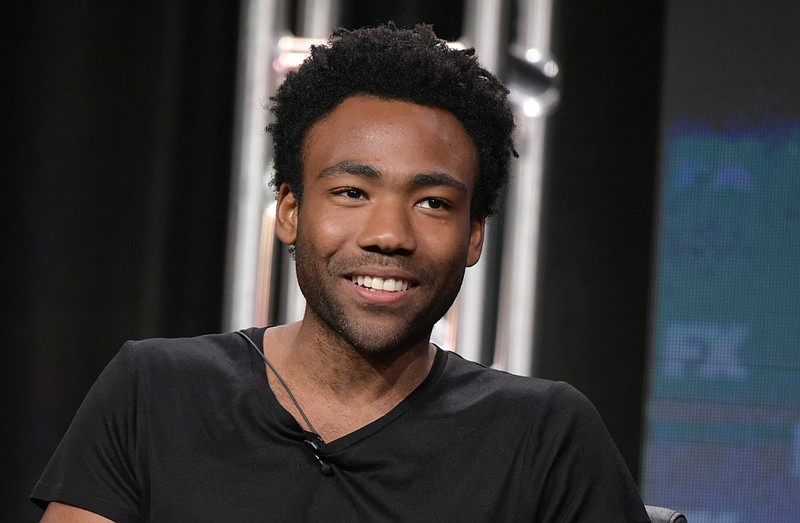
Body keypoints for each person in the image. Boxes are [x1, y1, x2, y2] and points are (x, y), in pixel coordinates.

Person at [32, 23, 650, 522]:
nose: (389, 235)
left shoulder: (544, 437)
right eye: (352, 192)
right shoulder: (155, 393)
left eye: (433, 202)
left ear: (474, 237)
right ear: (291, 212)